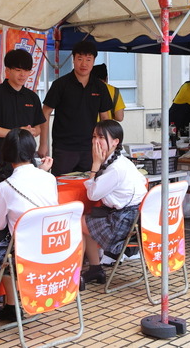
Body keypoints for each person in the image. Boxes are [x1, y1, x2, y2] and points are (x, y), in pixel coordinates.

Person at [0, 128, 57, 329]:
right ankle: (12, 307)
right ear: (32, 151)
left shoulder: (6, 187)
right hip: (52, 252)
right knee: (6, 251)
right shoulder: (49, 179)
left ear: (6, 153)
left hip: (23, 255)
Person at [81, 120, 148, 285]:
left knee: (78, 222)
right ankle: (95, 269)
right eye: (94, 136)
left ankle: (77, 275)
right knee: (85, 220)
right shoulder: (122, 161)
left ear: (116, 141)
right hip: (136, 219)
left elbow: (93, 195)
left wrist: (95, 164)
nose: (96, 141)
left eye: (101, 138)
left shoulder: (116, 168)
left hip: (123, 223)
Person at [38, 41, 113, 176]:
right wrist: (43, 144)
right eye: (80, 59)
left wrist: (106, 145)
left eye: (88, 59)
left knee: (90, 184)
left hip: (90, 148)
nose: (84, 64)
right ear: (73, 60)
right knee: (61, 186)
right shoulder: (60, 84)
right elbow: (45, 112)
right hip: (64, 148)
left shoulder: (100, 87)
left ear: (94, 61)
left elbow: (105, 118)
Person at [0, 49, 46, 183]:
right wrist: (15, 133)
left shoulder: (32, 97)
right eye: (18, 70)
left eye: (26, 71)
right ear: (7, 70)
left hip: (28, 162)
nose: (23, 75)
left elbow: (39, 127)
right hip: (3, 161)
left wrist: (32, 132)